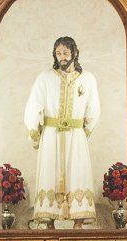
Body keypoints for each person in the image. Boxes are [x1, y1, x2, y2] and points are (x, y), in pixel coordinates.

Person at [25, 37, 101, 228]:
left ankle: (78, 223)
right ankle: (49, 223)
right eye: (58, 53)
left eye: (66, 53)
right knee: (50, 171)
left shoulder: (87, 79)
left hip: (76, 135)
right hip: (51, 135)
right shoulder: (45, 78)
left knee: (78, 172)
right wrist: (34, 131)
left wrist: (84, 132)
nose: (62, 57)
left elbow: (94, 110)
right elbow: (33, 105)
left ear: (75, 53)